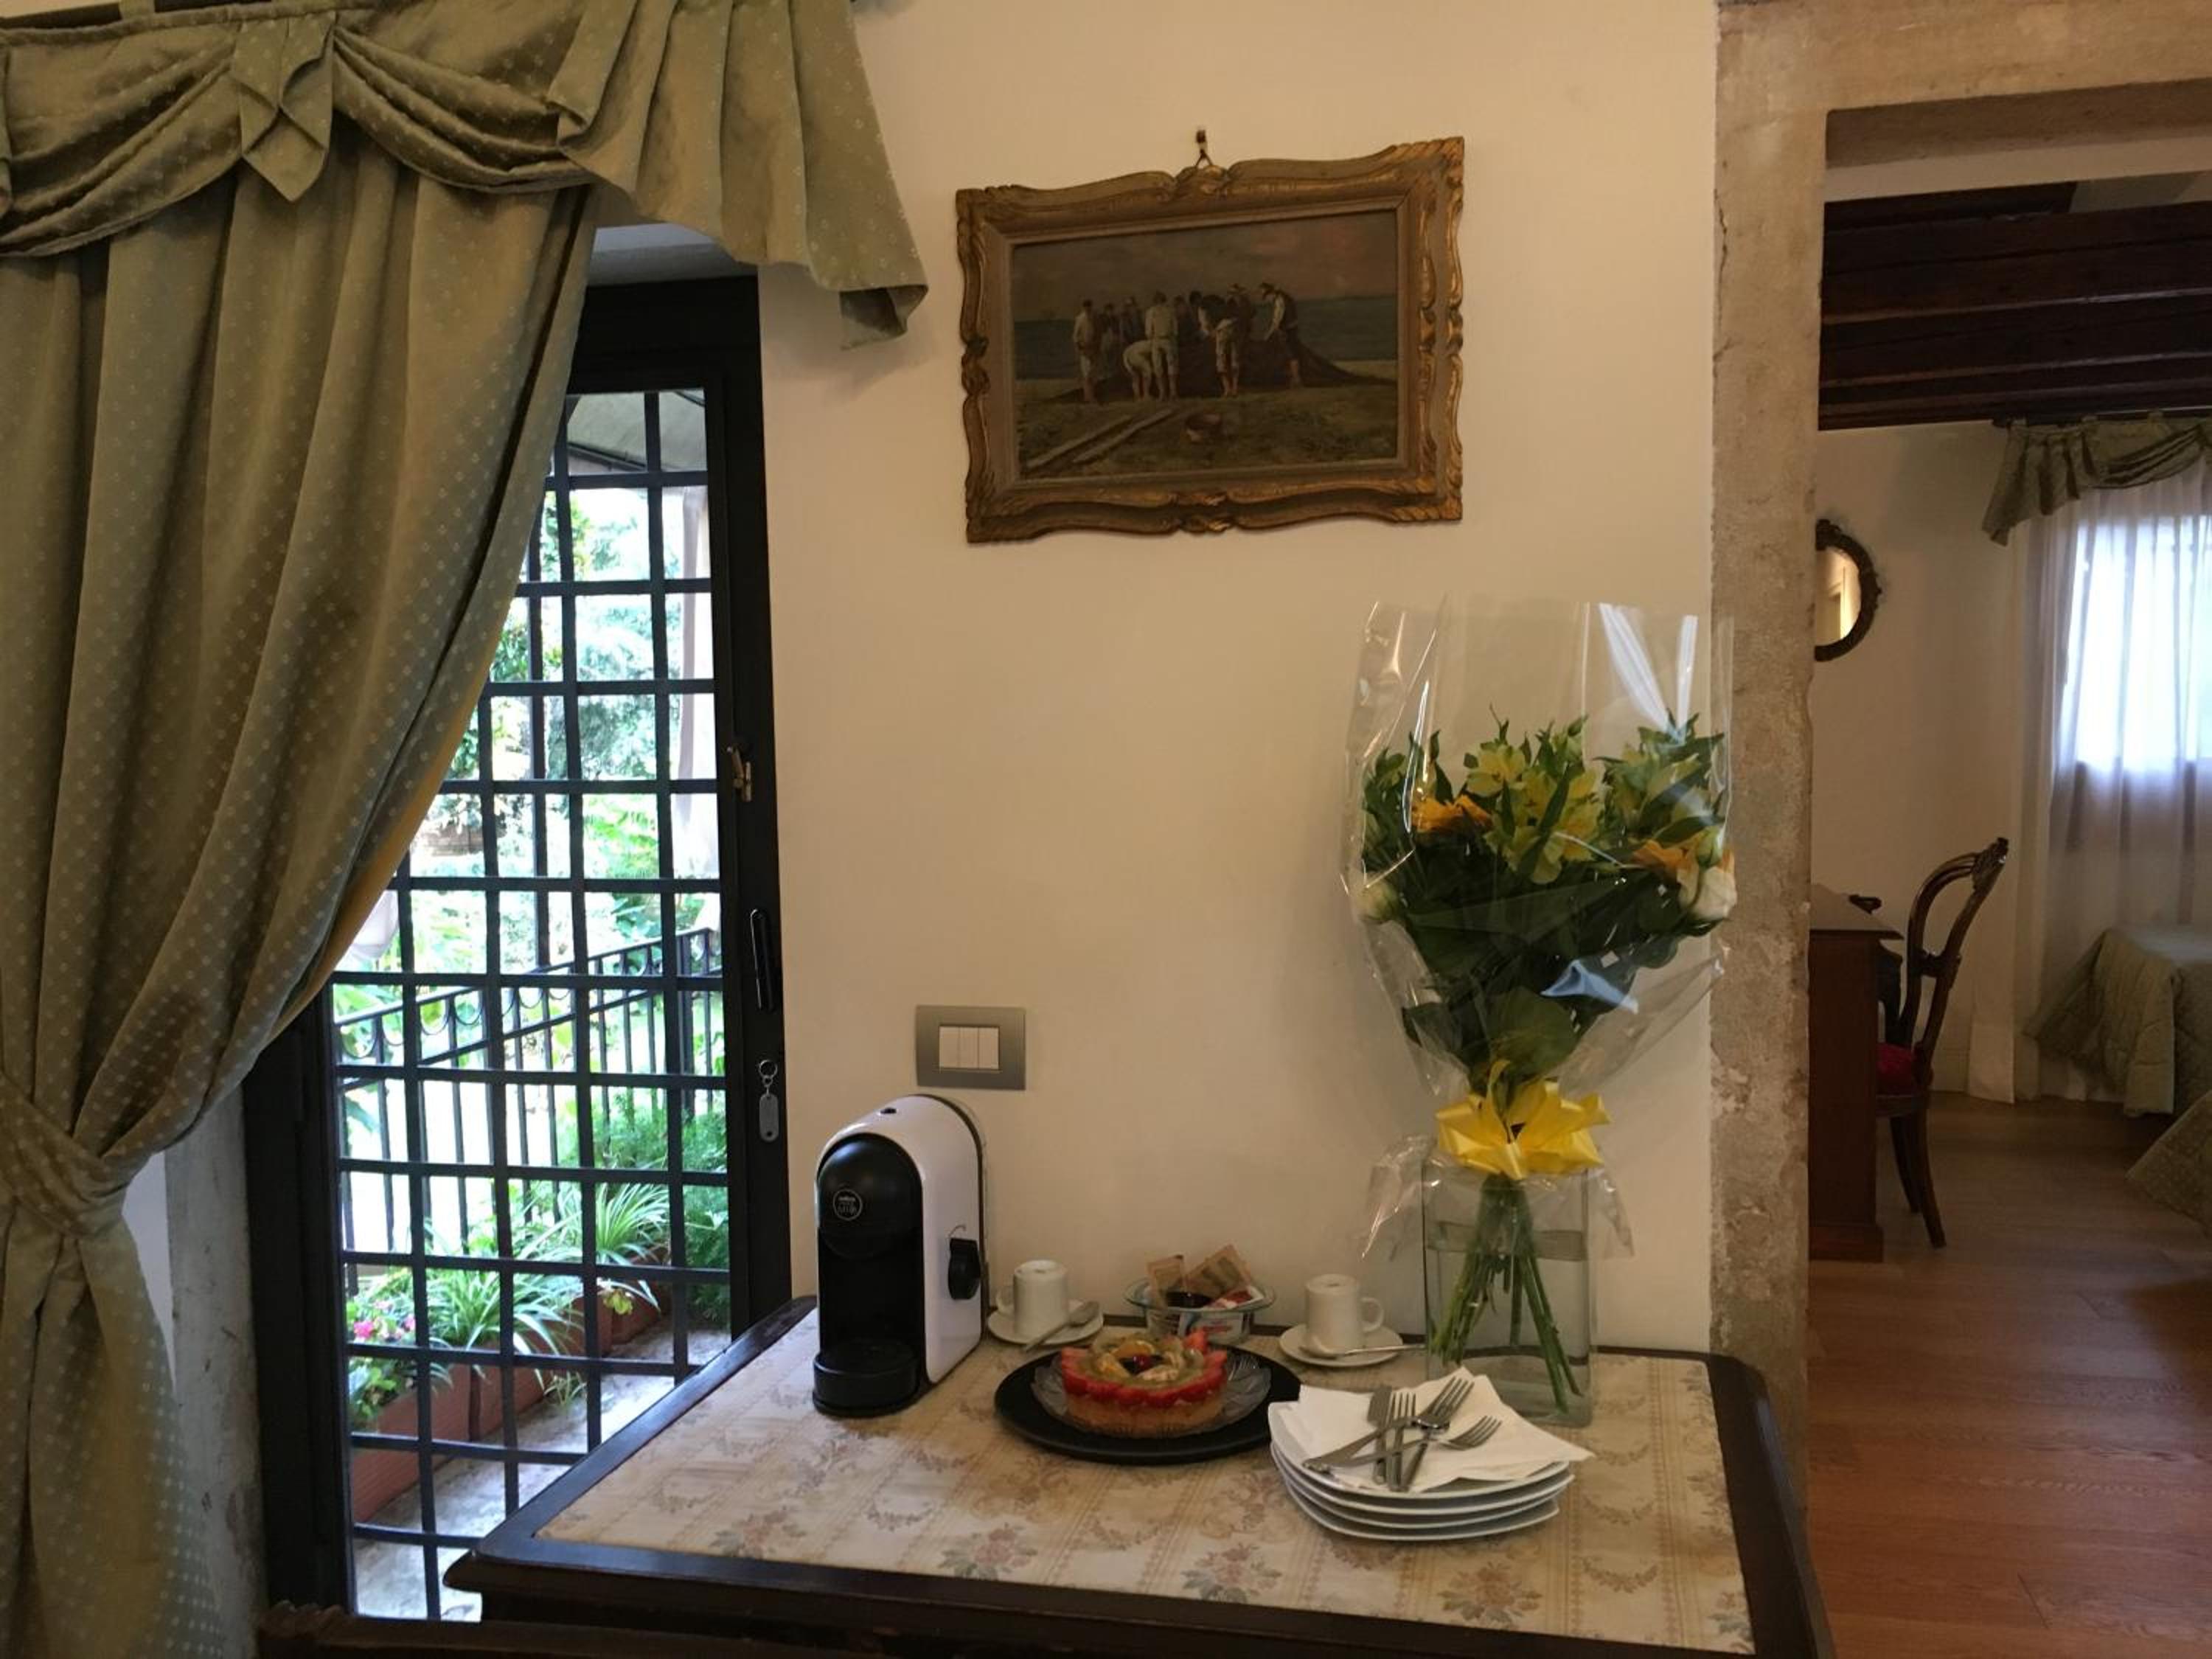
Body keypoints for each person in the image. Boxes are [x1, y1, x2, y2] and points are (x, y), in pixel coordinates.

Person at [1258, 279, 1304, 388]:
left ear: (1271, 294)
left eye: (1267, 297)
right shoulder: (1284, 297)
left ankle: (1296, 379)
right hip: (1292, 329)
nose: (1268, 300)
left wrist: (1268, 335)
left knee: (1291, 354)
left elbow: (1277, 320)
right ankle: (1294, 378)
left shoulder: (1280, 301)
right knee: (1291, 353)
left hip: (1288, 331)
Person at [1143, 289, 1179, 399]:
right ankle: (1169, 392)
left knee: (1160, 366)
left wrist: (1150, 336)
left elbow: (1148, 331)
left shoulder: (1152, 311)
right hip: (1164, 340)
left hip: (1159, 340)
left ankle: (1166, 393)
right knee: (1168, 366)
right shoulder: (1169, 311)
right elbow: (1175, 329)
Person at [1070, 299, 1101, 403]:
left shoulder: (1094, 317)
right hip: (1084, 348)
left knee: (1093, 373)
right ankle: (1088, 397)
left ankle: (1090, 396)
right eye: (1086, 307)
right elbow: (1075, 336)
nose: (1088, 309)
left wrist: (1097, 345)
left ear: (1091, 307)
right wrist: (1079, 348)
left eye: (1089, 307)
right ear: (1083, 308)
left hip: (1093, 348)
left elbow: (1098, 332)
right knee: (1087, 374)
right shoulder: (1080, 318)